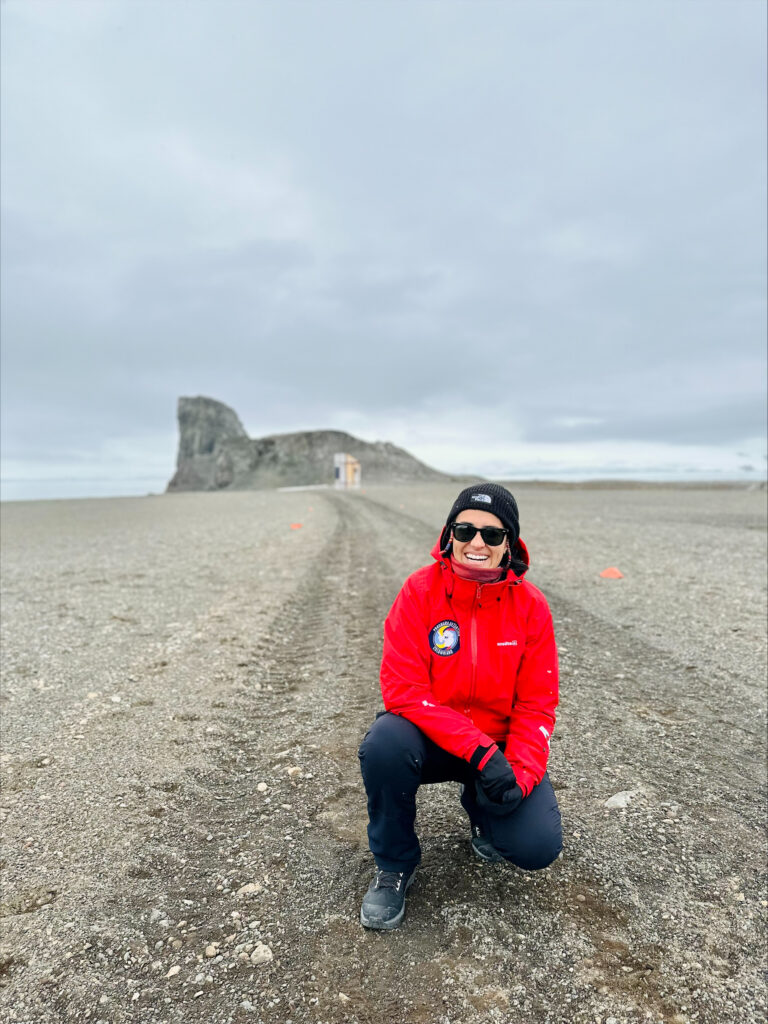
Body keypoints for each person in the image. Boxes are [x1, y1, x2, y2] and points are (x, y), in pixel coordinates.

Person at [358, 483, 562, 929]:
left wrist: (520, 778)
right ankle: (394, 863)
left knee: (536, 847)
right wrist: (479, 751)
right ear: (449, 534)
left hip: (497, 747)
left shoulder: (531, 608)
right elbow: (403, 689)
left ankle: (482, 810)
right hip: (435, 741)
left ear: (509, 543)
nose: (477, 543)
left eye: (492, 535)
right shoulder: (418, 592)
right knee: (385, 743)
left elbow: (537, 705)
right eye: (466, 529)